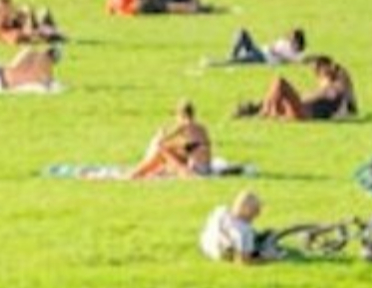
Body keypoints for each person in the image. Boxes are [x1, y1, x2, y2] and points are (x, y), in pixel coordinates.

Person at [199, 191, 335, 263]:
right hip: (226, 252)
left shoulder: (221, 211)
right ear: (247, 210)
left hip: (208, 246)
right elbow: (243, 261)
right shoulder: (242, 232)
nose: (257, 215)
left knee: (267, 235)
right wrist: (271, 259)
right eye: (255, 210)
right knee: (275, 249)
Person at [242, 57, 358, 122]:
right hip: (302, 111)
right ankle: (262, 111)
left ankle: (264, 113)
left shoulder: (337, 88)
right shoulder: (326, 89)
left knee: (280, 82)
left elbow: (345, 81)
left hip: (304, 113)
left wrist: (336, 69)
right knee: (279, 86)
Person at [131, 102, 214, 179]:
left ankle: (135, 174)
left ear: (181, 115)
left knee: (161, 150)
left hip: (193, 172)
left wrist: (161, 133)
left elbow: (162, 140)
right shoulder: (201, 128)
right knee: (168, 156)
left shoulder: (184, 125)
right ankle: (141, 172)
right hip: (206, 169)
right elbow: (189, 147)